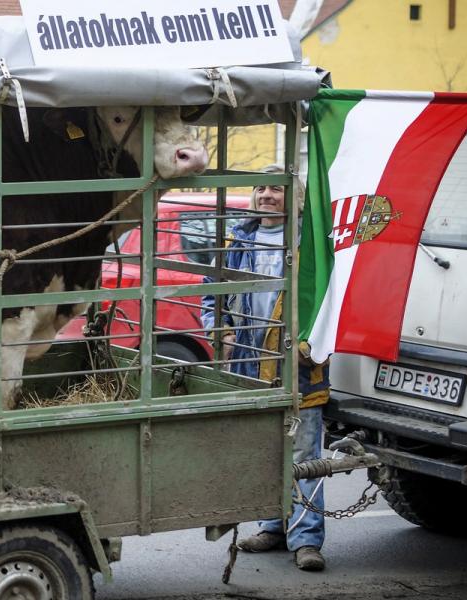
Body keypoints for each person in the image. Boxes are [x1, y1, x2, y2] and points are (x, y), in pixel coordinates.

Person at [200, 165, 330, 572]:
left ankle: (307, 540)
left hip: (298, 364)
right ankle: (273, 526)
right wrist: (218, 330)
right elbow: (212, 296)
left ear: (296, 197)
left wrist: (312, 343)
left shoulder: (311, 246)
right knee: (264, 447)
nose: (266, 195)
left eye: (276, 188)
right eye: (260, 188)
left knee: (305, 453)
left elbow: (328, 302)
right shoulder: (238, 239)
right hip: (248, 364)